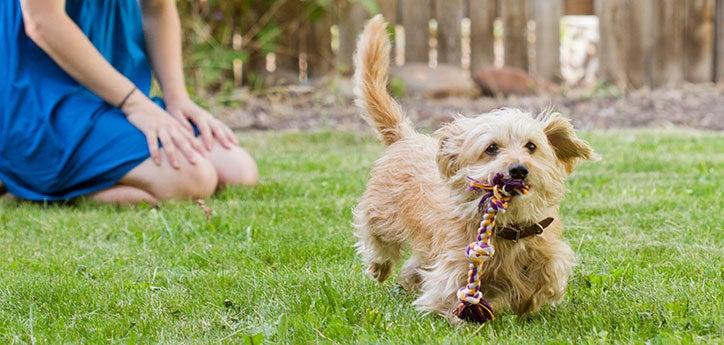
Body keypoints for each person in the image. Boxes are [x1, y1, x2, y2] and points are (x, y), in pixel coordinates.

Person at [0, 0, 258, 205]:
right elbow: (42, 21)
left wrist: (177, 98)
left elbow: (157, 8)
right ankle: (30, 183)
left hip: (109, 93)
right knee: (194, 179)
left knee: (238, 171)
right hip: (39, 99)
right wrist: (134, 104)